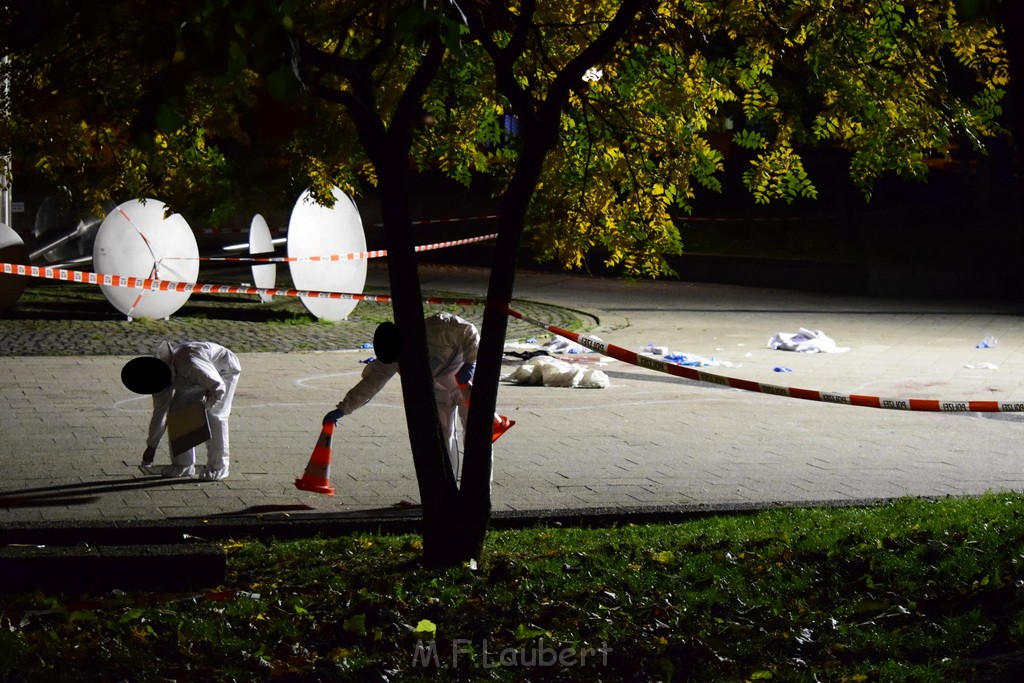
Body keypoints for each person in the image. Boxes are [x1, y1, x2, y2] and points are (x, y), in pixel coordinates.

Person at [324, 313, 514, 480]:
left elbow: (469, 331)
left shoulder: (439, 328)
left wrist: (470, 362)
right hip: (438, 393)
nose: (401, 362)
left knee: (476, 435)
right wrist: (343, 408)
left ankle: (478, 491)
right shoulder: (392, 357)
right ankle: (449, 489)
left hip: (466, 385)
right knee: (444, 439)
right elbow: (371, 383)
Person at [121, 339, 241, 481]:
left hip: (223, 370)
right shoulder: (156, 380)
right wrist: (151, 445)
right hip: (192, 380)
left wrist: (205, 407)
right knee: (177, 412)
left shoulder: (188, 362)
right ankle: (183, 465)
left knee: (214, 415)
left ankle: (219, 467)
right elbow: (160, 413)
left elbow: (218, 387)